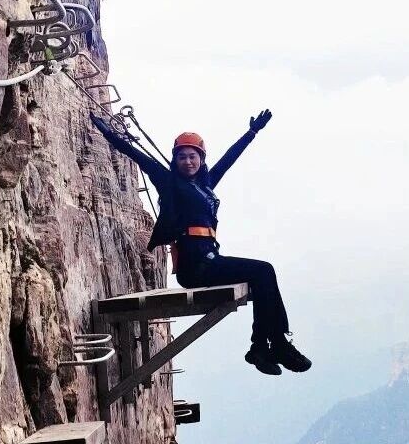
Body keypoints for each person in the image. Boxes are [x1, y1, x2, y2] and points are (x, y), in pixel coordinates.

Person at [90, 109, 311, 376]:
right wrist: (105, 131)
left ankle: (270, 344)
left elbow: (229, 160)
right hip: (193, 268)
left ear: (201, 159)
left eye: (192, 156)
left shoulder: (206, 185)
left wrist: (251, 133)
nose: (187, 161)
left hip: (209, 260)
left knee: (264, 274)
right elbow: (136, 155)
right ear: (175, 160)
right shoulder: (168, 182)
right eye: (182, 157)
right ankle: (267, 345)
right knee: (263, 271)